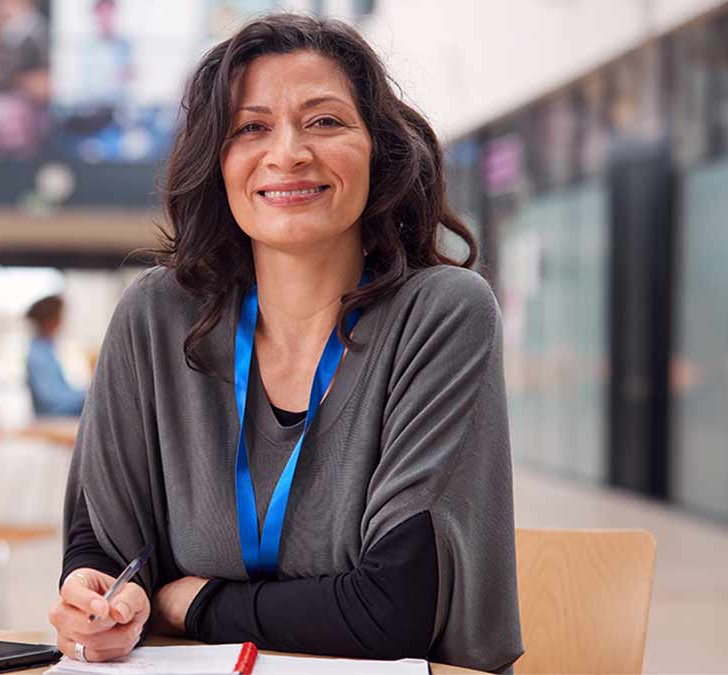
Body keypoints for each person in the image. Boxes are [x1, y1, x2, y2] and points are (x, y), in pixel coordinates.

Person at [50, 14, 523, 673]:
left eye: (325, 121)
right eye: (251, 128)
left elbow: (392, 611)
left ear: (377, 150)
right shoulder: (154, 316)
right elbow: (107, 547)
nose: (289, 152)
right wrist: (95, 595)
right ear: (218, 162)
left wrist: (193, 603)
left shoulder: (441, 313)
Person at [25, 294, 86, 417]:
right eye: (60, 316)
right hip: (54, 416)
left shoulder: (47, 349)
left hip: (61, 412)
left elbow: (62, 391)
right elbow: (52, 399)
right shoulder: (38, 355)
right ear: (51, 320)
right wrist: (89, 397)